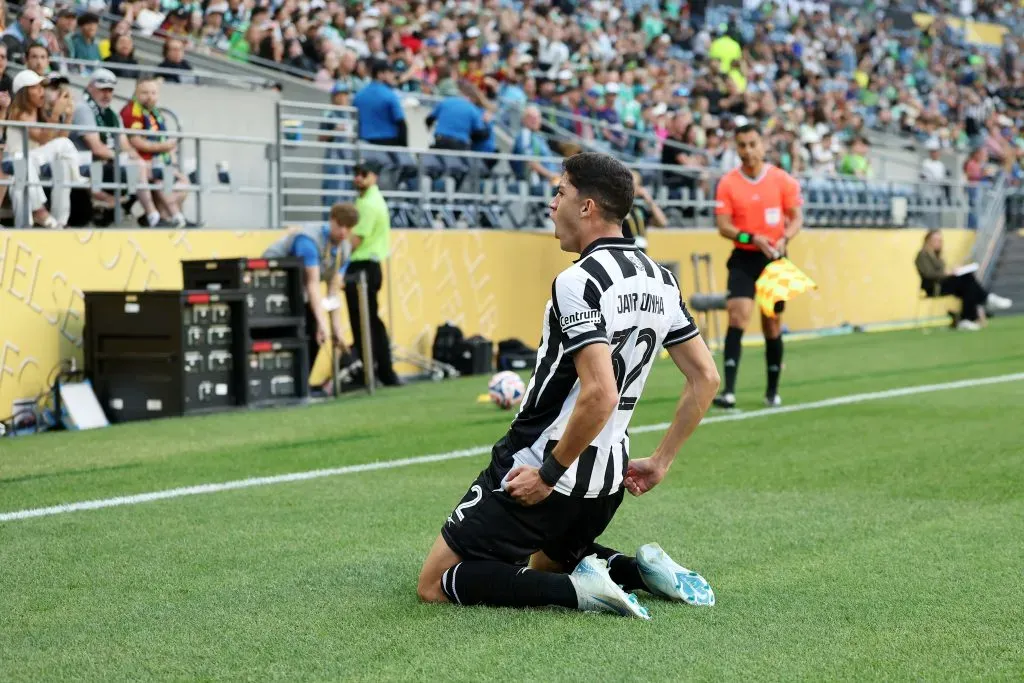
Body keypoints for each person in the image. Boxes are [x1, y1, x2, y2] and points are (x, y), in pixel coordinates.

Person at [416, 152, 721, 619]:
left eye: (560, 192)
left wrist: (547, 475)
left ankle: (583, 594)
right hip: (606, 481)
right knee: (540, 562)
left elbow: (600, 393)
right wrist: (661, 461)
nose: (551, 203)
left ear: (587, 207)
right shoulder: (661, 279)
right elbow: (705, 377)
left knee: (436, 583)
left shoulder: (579, 280)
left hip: (544, 461)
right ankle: (637, 573)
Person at [713, 123, 803, 409]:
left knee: (772, 323)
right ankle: (728, 391)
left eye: (753, 144)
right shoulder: (728, 183)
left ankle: (772, 391)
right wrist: (751, 237)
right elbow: (724, 227)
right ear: (736, 148)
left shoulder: (782, 180)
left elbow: (797, 217)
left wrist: (784, 237)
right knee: (737, 316)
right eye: (742, 145)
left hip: (774, 258)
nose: (748, 150)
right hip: (743, 257)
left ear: (763, 145)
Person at [263, 203, 358, 369]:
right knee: (304, 327)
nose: (343, 231)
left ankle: (303, 384)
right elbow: (312, 283)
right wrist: (323, 323)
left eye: (348, 227)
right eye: (340, 225)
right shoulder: (309, 240)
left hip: (298, 286)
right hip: (272, 279)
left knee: (314, 332)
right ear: (331, 221)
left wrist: (336, 329)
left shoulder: (345, 249)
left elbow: (333, 290)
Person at [347, 159, 401, 387]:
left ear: (374, 176)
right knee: (370, 321)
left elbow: (354, 241)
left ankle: (375, 371)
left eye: (363, 173)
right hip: (370, 267)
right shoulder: (371, 200)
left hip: (363, 268)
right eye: (355, 172)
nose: (358, 177)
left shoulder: (367, 205)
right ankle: (380, 370)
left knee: (364, 324)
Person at [5, 69, 81, 228]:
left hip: (34, 162)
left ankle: (60, 221)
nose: (42, 91)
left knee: (63, 165)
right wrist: (55, 114)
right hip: (16, 163)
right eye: (36, 87)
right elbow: (42, 138)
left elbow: (60, 139)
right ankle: (38, 210)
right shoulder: (19, 113)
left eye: (42, 87)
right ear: (24, 92)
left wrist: (68, 116)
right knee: (21, 166)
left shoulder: (41, 113)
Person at [915, 230, 1012, 331]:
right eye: (935, 240)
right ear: (928, 241)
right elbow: (929, 274)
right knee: (966, 279)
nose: (938, 243)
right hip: (933, 287)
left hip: (944, 284)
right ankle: (985, 300)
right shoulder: (922, 255)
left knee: (968, 285)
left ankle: (967, 318)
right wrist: (947, 273)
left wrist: (953, 271)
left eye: (940, 240)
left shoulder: (938, 256)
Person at [621, 170, 668, 252]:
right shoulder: (619, 206)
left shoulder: (640, 208)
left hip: (641, 251)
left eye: (637, 185)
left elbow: (662, 222)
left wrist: (649, 200)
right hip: (625, 250)